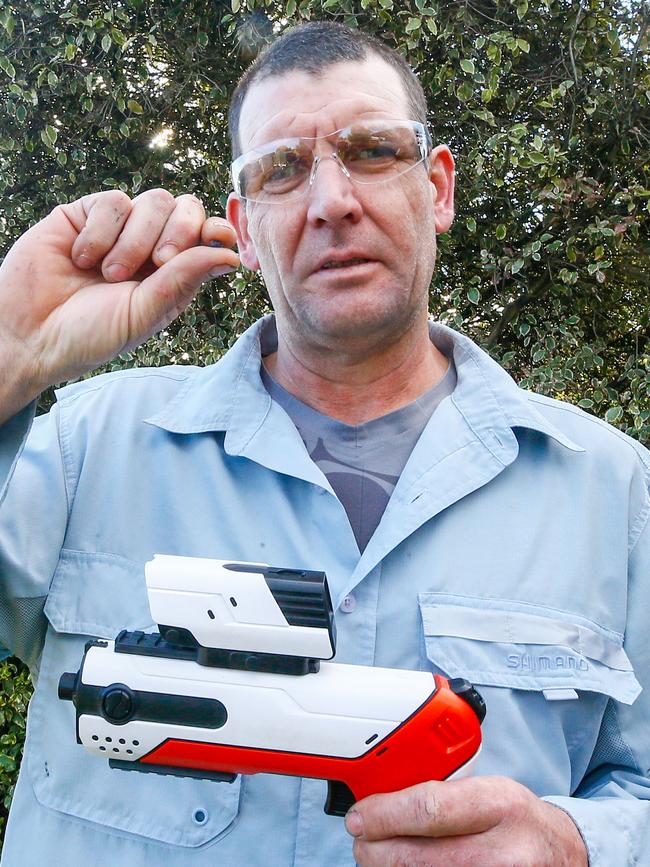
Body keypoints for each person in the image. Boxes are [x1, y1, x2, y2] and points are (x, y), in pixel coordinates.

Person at [0, 20, 648, 867]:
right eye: (282, 169)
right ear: (244, 223)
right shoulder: (84, 447)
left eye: (373, 150)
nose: (333, 200)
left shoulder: (617, 489)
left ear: (439, 188)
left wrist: (577, 843)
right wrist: (6, 357)